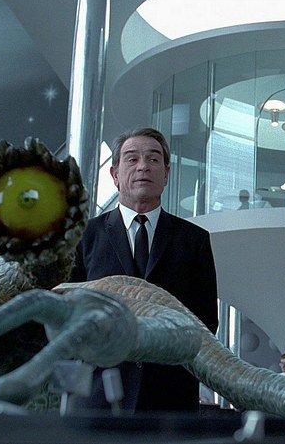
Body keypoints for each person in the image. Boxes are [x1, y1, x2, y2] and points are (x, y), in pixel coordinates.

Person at [70, 127, 218, 413]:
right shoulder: (84, 237)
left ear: (166, 173)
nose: (143, 166)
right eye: (132, 158)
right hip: (98, 394)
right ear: (114, 174)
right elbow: (69, 313)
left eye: (153, 159)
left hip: (171, 396)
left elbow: (206, 321)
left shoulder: (194, 240)